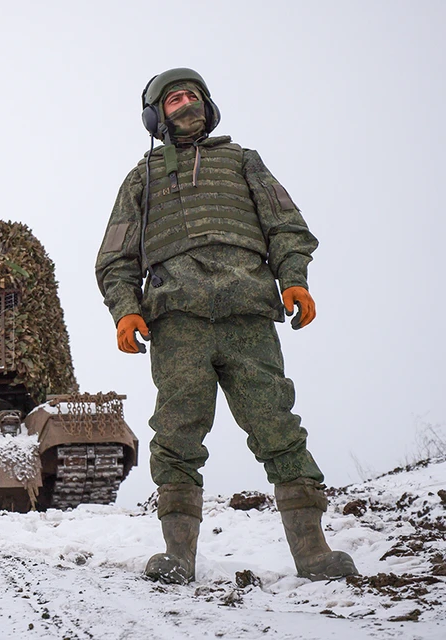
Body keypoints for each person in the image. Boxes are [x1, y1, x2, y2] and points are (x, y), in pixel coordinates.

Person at [95, 68, 357, 584]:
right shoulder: (141, 178)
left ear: (208, 104)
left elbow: (286, 225)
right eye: (173, 99)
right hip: (177, 323)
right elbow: (115, 257)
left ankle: (314, 555)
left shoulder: (242, 162)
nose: (185, 103)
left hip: (247, 314)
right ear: (156, 116)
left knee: (278, 427)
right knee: (176, 436)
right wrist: (125, 309)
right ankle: (178, 557)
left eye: (192, 95)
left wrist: (294, 280)